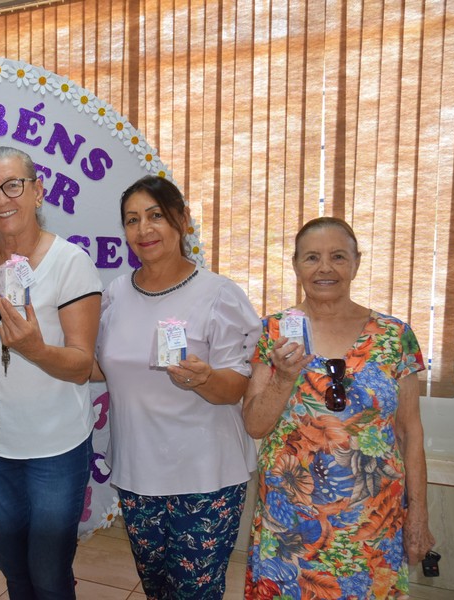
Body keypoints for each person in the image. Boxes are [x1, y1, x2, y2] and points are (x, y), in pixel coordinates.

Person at [242, 217, 436, 598]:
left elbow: (410, 432)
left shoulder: (394, 336)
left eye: (338, 257)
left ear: (356, 263)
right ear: (296, 265)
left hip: (371, 525)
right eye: (312, 257)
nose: (325, 268)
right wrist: (283, 377)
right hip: (292, 526)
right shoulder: (274, 332)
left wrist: (419, 514)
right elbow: (254, 425)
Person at [91, 175, 261, 599]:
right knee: (157, 590)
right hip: (137, 472)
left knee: (195, 594)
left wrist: (204, 379)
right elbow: (100, 369)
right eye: (132, 220)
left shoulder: (219, 295)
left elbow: (235, 387)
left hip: (205, 476)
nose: (144, 230)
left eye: (156, 216)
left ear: (182, 220)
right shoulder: (115, 294)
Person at [0, 146, 102, 599]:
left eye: (12, 185)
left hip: (54, 449)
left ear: (37, 190)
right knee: (15, 570)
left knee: (48, 573)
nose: (1, 198)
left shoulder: (70, 264)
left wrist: (37, 349)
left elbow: (82, 364)